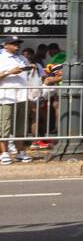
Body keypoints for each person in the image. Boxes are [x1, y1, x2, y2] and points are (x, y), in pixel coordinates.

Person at [0, 36, 35, 165]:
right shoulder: (1, 58)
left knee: (20, 127)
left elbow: (25, 76)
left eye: (18, 43)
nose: (17, 45)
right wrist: (10, 72)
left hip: (21, 96)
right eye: (13, 43)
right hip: (6, 97)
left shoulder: (22, 58)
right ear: (5, 45)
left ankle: (20, 152)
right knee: (5, 126)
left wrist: (30, 68)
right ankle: (4, 153)